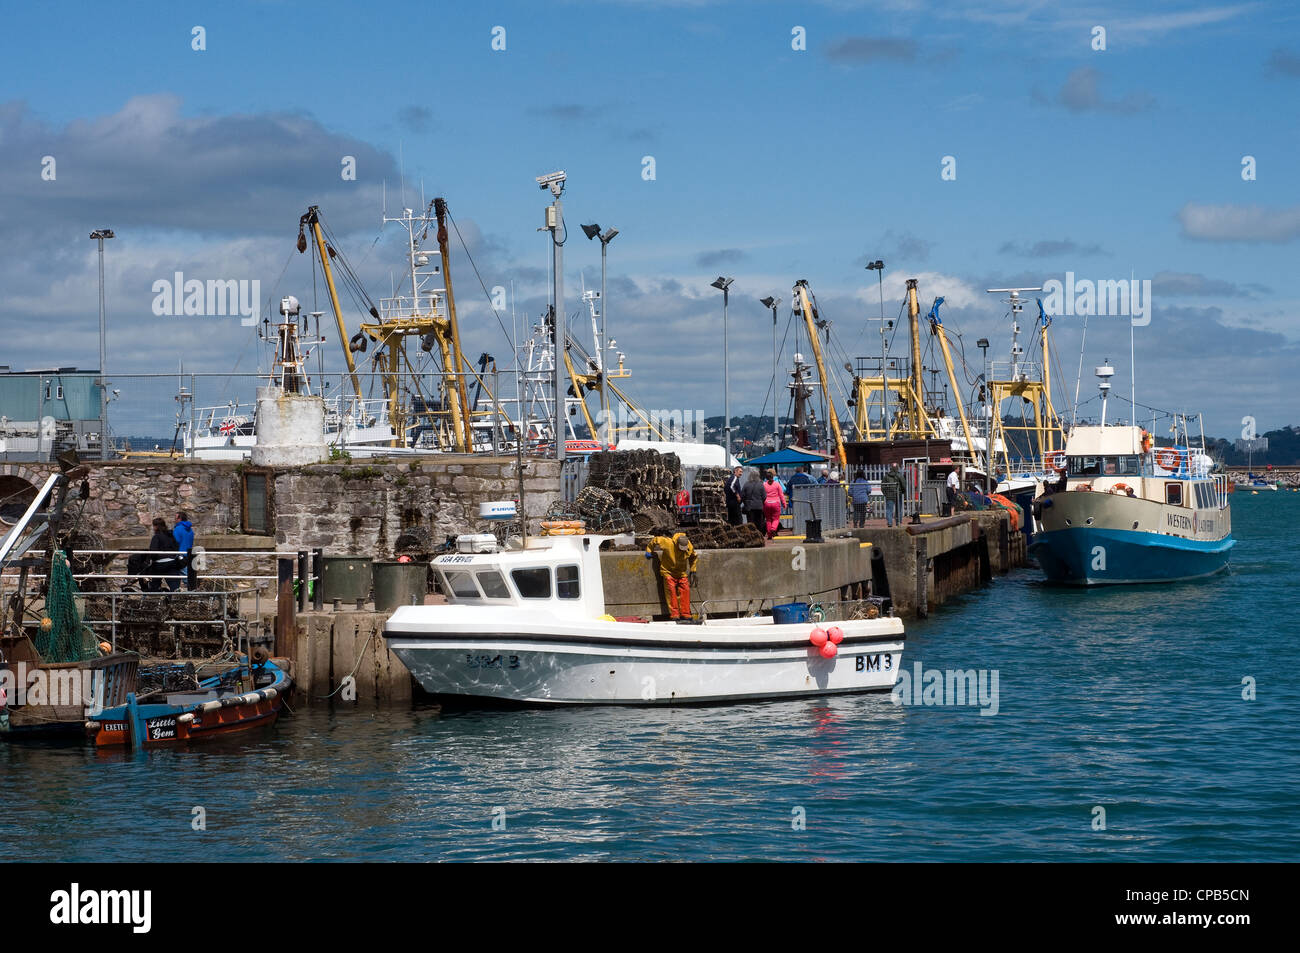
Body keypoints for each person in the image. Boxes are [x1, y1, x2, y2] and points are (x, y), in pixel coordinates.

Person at [644, 532, 698, 621]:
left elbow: (693, 557)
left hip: (681, 573)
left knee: (686, 591)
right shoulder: (667, 543)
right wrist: (649, 550)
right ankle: (675, 615)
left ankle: (686, 614)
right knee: (671, 592)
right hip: (668, 572)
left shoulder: (689, 546)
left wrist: (693, 570)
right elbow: (655, 540)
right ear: (677, 544)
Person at [147, 517, 181, 592]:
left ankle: (155, 593)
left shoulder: (156, 537)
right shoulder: (171, 535)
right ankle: (174, 598)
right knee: (174, 586)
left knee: (154, 584)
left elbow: (153, 552)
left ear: (155, 526)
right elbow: (176, 548)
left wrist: (152, 559)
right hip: (171, 562)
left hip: (159, 564)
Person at [173, 510, 196, 590]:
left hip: (180, 556)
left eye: (175, 518)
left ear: (179, 519)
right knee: (190, 577)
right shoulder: (190, 530)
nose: (174, 520)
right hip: (189, 555)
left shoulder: (178, 529)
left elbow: (175, 543)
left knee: (186, 580)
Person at [762, 470, 787, 539]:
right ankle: (773, 529)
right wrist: (784, 504)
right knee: (776, 519)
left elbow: (762, 495)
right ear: (773, 477)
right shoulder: (777, 484)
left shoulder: (764, 484)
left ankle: (769, 535)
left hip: (767, 503)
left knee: (768, 520)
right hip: (776, 503)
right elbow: (781, 495)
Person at [881, 462, 906, 528]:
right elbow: (903, 485)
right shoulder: (899, 475)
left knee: (889, 509)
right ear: (897, 468)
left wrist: (885, 493)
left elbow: (883, 486)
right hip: (898, 493)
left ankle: (889, 523)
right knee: (899, 509)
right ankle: (898, 522)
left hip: (889, 494)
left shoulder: (886, 476)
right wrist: (903, 491)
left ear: (890, 468)